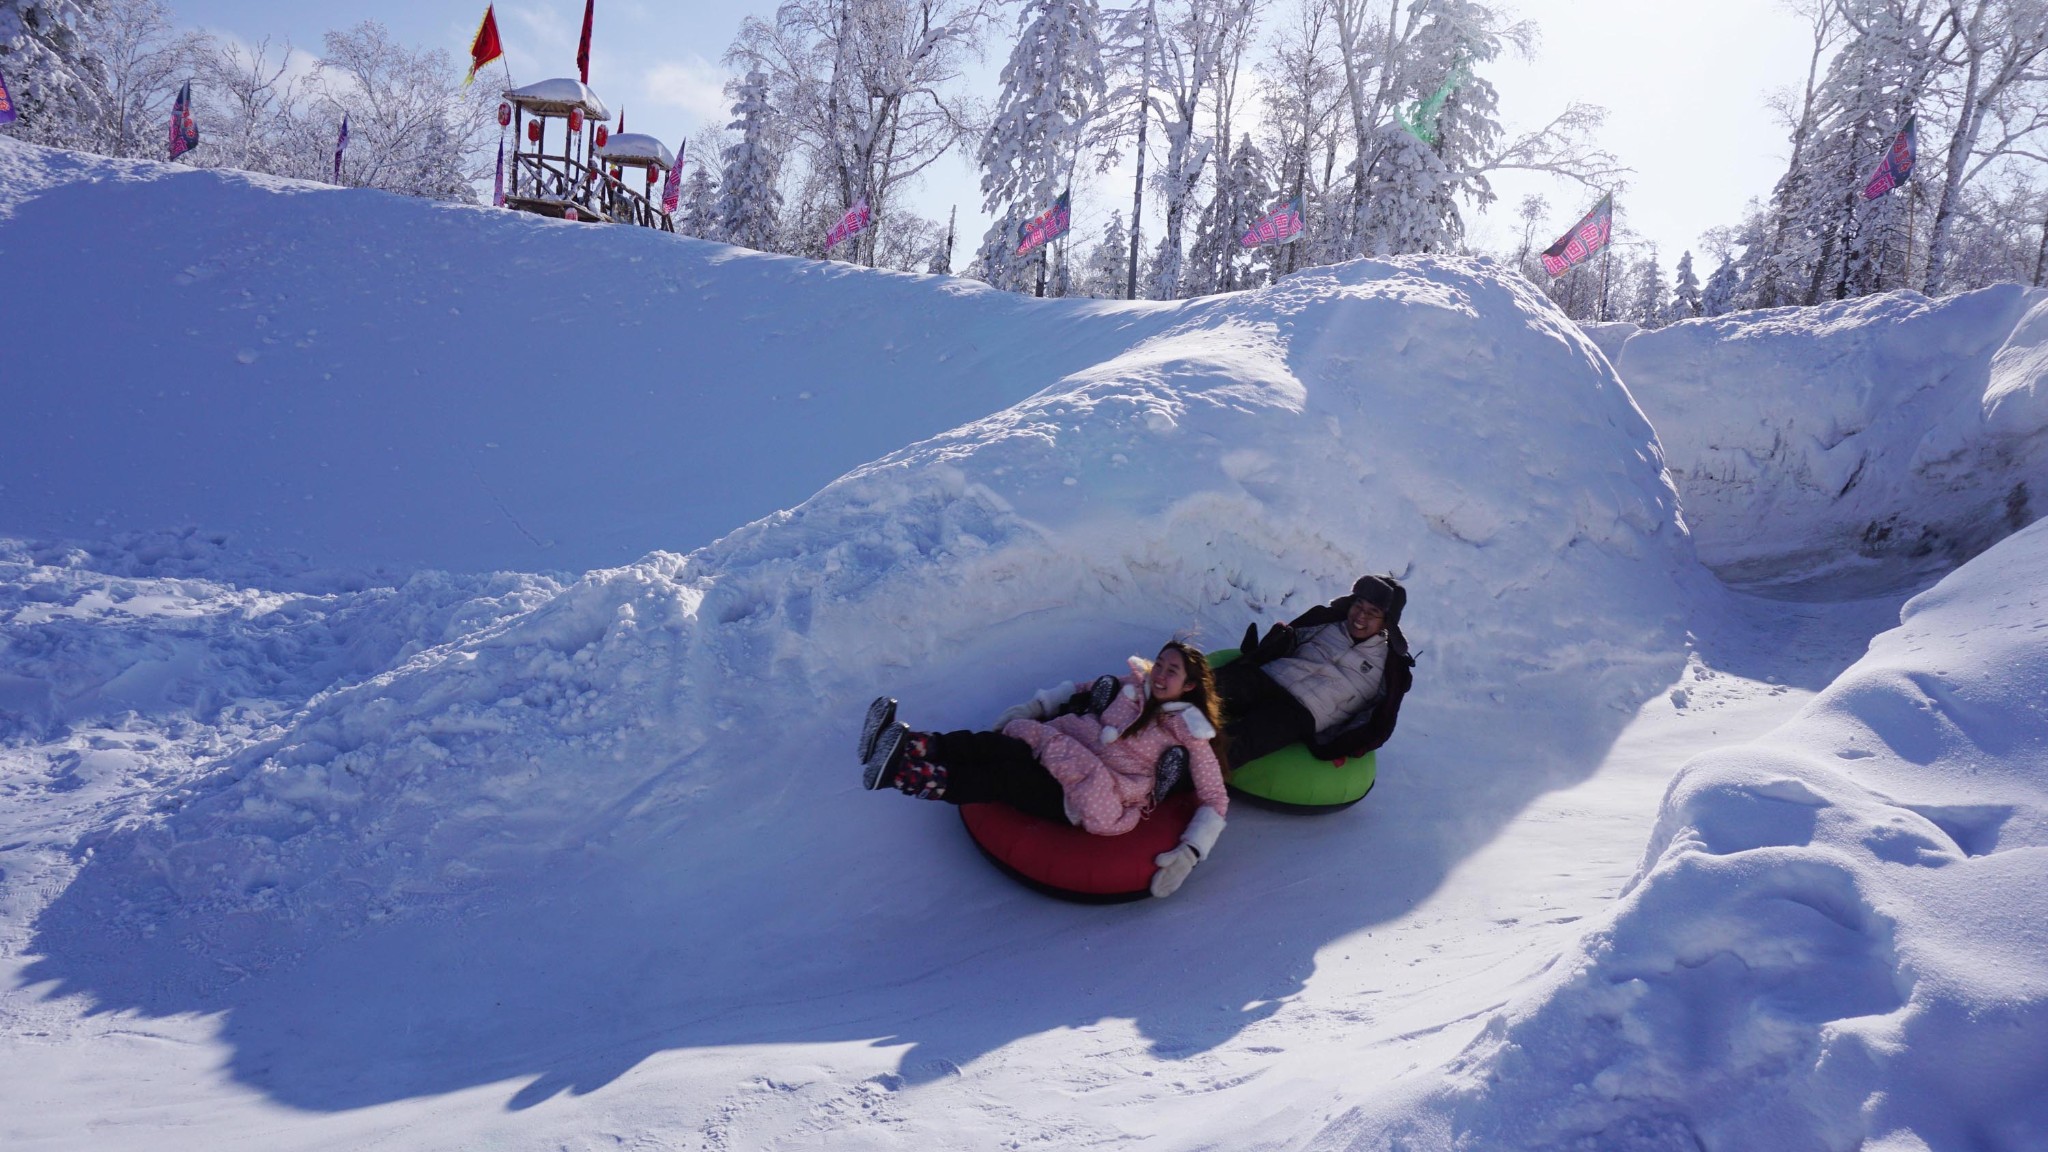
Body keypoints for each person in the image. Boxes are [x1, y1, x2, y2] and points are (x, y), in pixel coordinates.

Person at [858, 641, 1230, 898]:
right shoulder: (1135, 686)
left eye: (1173, 672)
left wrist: (1190, 853)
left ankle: (901, 776)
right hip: (1069, 748)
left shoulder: (1189, 732)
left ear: (1190, 686)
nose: (1161, 675)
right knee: (995, 747)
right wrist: (1037, 707)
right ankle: (904, 743)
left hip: (1089, 791)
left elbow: (1215, 797)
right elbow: (1083, 686)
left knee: (1002, 778)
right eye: (1160, 665)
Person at [1217, 574, 1406, 766]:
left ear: (1386, 622)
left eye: (1373, 612)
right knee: (1217, 686)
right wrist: (1266, 648)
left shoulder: (1389, 668)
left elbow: (1380, 719)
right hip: (1271, 678)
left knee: (1251, 736)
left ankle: (1189, 765)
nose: (1360, 616)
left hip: (1303, 711)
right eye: (1358, 604)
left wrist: (1349, 743)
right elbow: (1287, 639)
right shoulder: (1325, 622)